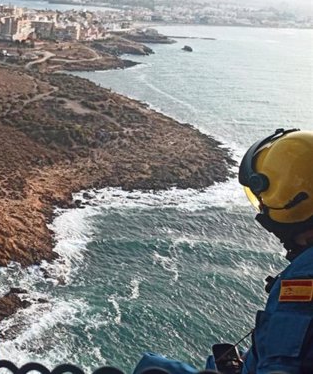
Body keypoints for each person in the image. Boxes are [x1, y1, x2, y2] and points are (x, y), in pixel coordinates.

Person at [134, 128, 313, 374]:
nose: (262, 207)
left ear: (291, 201)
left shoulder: (304, 284)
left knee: (152, 367)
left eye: (261, 199)